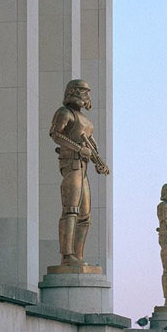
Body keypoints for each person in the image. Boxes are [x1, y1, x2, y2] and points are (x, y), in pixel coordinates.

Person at [48, 80, 110, 268]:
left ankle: (78, 255)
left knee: (85, 215)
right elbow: (55, 134)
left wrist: (98, 160)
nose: (87, 96)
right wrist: (77, 148)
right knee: (71, 210)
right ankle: (67, 256)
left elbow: (91, 146)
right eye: (84, 92)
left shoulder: (87, 122)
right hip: (71, 163)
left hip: (83, 167)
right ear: (74, 92)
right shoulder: (64, 113)